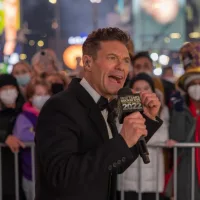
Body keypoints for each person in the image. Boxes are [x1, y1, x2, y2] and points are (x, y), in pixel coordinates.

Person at [35, 27, 163, 200]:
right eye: (112, 58)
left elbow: (114, 165)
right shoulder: (59, 107)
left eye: (126, 60)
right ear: (87, 63)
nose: (121, 66)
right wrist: (122, 141)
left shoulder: (108, 105)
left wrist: (146, 119)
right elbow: (61, 176)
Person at [117, 73, 170, 200]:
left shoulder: (161, 109)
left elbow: (162, 137)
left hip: (152, 178)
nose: (142, 92)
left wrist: (140, 132)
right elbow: (121, 133)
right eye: (138, 89)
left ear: (153, 90)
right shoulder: (122, 107)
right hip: (127, 177)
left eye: (146, 88)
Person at [13, 79, 50, 200]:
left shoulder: (54, 114)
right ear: (30, 97)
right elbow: (23, 135)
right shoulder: (24, 117)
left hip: (51, 173)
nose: (43, 97)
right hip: (32, 173)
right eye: (38, 94)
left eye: (45, 94)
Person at [167, 67, 200, 200]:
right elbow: (177, 136)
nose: (197, 87)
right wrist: (178, 110)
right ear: (186, 88)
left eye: (199, 83)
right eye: (193, 84)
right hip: (186, 166)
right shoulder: (181, 107)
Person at [0, 74, 25, 199]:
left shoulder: (25, 112)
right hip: (5, 171)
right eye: (4, 89)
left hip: (25, 169)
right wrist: (4, 138)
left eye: (11, 88)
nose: (8, 92)